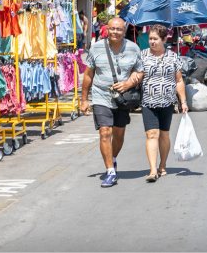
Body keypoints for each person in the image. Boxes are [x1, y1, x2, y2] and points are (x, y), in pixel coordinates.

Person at [81, 17, 144, 188]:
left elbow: (139, 71)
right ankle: (110, 171)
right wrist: (84, 99)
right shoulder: (96, 49)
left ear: (124, 31)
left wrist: (128, 83)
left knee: (119, 134)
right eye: (112, 29)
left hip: (122, 98)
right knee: (105, 132)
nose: (115, 32)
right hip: (101, 95)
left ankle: (112, 158)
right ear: (107, 30)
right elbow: (88, 75)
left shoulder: (133, 48)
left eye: (119, 29)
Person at [136, 25, 188, 182]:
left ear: (164, 40)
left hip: (167, 102)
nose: (152, 42)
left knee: (164, 135)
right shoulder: (142, 55)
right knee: (152, 134)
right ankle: (153, 170)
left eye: (155, 39)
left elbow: (179, 80)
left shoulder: (173, 57)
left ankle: (162, 165)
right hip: (148, 102)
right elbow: (137, 75)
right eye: (150, 39)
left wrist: (183, 101)